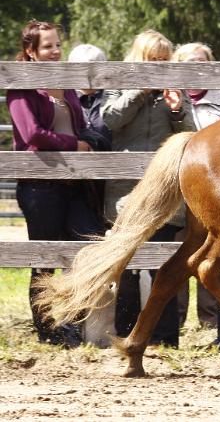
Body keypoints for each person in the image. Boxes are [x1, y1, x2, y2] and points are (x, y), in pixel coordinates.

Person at [7, 20, 105, 348]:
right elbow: (32, 134)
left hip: (74, 183)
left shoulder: (67, 82)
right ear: (30, 51)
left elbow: (80, 124)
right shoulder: (21, 87)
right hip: (40, 185)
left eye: (58, 45)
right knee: (45, 257)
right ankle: (48, 330)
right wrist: (74, 144)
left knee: (86, 247)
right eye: (47, 46)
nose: (55, 51)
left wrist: (89, 138)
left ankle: (74, 323)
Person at [101, 30, 195, 348]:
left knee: (163, 267)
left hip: (164, 193)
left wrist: (177, 111)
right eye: (152, 59)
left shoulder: (175, 90)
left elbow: (192, 136)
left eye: (163, 60)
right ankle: (127, 334)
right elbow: (109, 120)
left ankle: (165, 338)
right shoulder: (120, 84)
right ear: (138, 59)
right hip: (125, 193)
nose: (158, 65)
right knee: (126, 266)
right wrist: (139, 91)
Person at [172, 42, 220, 330]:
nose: (195, 68)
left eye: (201, 62)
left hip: (215, 187)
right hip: (179, 187)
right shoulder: (171, 101)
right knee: (180, 248)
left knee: (212, 248)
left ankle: (210, 320)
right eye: (188, 63)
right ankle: (178, 317)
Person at [67, 43, 114, 347]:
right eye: (80, 69)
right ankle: (72, 323)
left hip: (105, 187)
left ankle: (101, 329)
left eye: (92, 69)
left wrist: (86, 140)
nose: (86, 75)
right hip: (73, 188)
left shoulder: (110, 99)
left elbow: (108, 132)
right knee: (72, 254)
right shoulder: (66, 99)